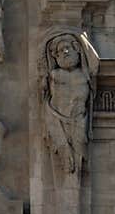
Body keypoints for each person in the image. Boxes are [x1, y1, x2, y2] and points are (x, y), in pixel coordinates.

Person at [41, 32, 98, 184]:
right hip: (57, 122)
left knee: (79, 167)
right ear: (56, 57)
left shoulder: (85, 73)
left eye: (68, 48)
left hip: (79, 121)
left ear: (77, 50)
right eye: (60, 51)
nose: (64, 52)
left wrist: (80, 36)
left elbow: (94, 62)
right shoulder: (53, 75)